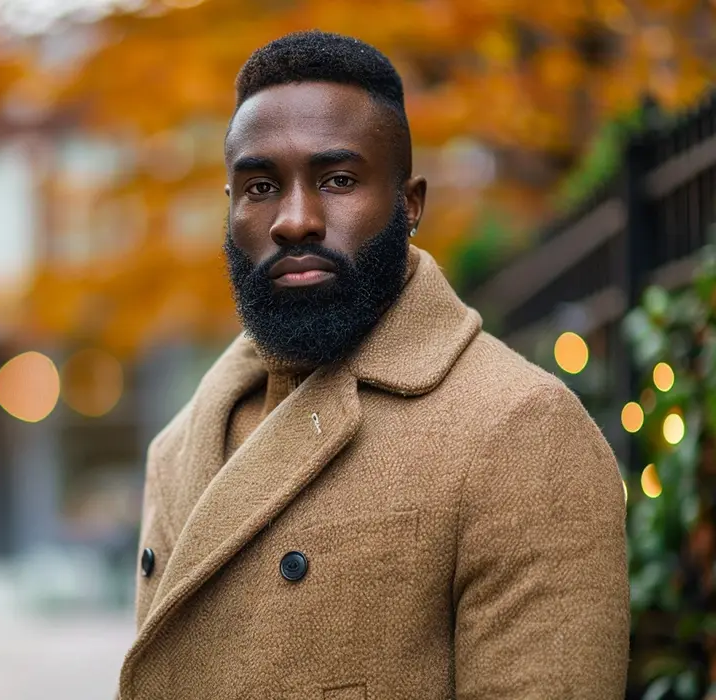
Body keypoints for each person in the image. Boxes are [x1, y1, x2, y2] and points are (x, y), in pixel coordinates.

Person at [119, 31, 629, 699]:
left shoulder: (521, 429)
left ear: (410, 202)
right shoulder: (180, 445)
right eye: (261, 186)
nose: (294, 220)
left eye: (337, 180)